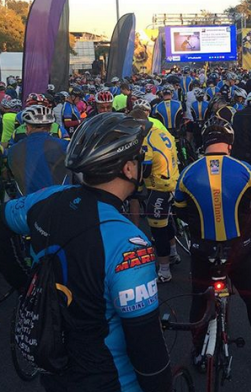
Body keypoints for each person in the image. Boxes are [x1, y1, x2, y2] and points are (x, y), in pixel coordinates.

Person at [0, 113, 173, 392]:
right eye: (140, 158)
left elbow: (4, 221)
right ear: (129, 168)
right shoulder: (129, 243)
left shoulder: (47, 197)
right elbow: (147, 348)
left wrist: (23, 282)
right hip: (111, 380)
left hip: (54, 369)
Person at [173, 118, 251, 371]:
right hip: (239, 249)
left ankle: (198, 354)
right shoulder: (244, 169)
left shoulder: (188, 172)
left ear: (205, 143)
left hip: (203, 250)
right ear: (229, 143)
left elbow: (179, 210)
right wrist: (246, 218)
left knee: (199, 301)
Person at [130, 107, 180, 282]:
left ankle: (164, 271)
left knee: (157, 230)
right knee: (166, 222)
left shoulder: (146, 140)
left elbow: (145, 170)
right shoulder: (161, 132)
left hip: (159, 187)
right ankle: (173, 252)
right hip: (173, 181)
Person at [7, 105, 71, 196]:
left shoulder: (13, 149)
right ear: (50, 127)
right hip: (58, 199)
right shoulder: (65, 146)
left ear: (28, 127)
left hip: (25, 202)